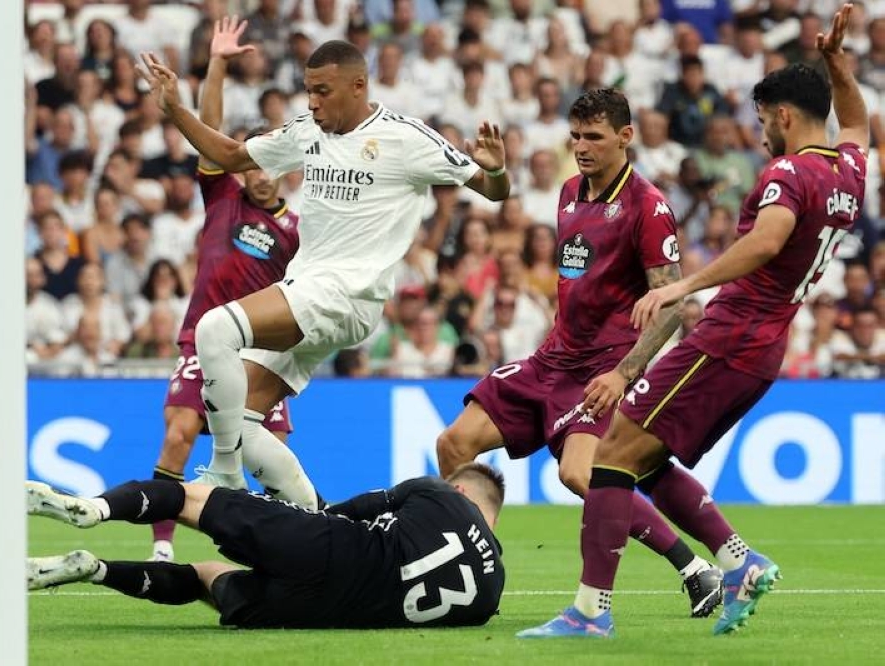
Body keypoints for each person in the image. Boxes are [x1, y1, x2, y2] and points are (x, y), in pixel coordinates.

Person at [519, 5, 868, 639]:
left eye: (765, 122)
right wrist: (839, 66)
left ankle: (590, 611)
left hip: (728, 337)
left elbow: (766, 241)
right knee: (642, 455)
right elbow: (862, 120)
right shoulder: (849, 171)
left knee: (610, 456)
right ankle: (738, 562)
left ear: (784, 118)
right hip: (762, 346)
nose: (762, 134)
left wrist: (684, 284)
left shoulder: (788, 173)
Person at [137, 28, 510, 504]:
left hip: (346, 294)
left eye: (322, 91)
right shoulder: (306, 133)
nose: (312, 101)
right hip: (308, 290)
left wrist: (496, 170)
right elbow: (228, 155)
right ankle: (317, 523)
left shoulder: (405, 138)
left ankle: (224, 474)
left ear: (359, 86)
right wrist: (176, 111)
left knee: (214, 330)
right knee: (242, 421)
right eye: (309, 90)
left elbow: (493, 191)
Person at [436, 87, 723, 619]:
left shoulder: (649, 207)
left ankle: (693, 568)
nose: (582, 146)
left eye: (594, 136)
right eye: (575, 135)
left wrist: (623, 372)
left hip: (602, 367)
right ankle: (474, 566)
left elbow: (672, 305)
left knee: (579, 474)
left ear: (625, 137)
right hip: (551, 359)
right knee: (454, 444)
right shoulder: (569, 191)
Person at [146, 17, 310, 563]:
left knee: (274, 458)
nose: (260, 172)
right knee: (178, 435)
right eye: (252, 162)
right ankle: (163, 548)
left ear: (283, 170)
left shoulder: (296, 232)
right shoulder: (223, 197)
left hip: (257, 352)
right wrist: (216, 62)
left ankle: (272, 554)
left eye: (270, 164)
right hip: (202, 339)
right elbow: (207, 126)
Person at [24, 461, 506, 629]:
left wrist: (305, 515)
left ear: (460, 491)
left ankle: (95, 508)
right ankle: (97, 570)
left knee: (188, 497)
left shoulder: (440, 493)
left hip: (327, 546)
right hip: (320, 612)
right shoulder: (491, 594)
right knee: (204, 579)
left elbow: (353, 509)